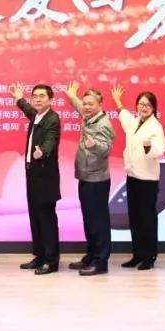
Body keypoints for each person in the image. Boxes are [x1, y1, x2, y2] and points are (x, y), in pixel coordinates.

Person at [110, 85, 165, 270]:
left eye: (148, 105)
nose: (144, 107)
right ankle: (138, 254)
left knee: (147, 218)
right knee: (134, 217)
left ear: (153, 108)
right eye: (141, 104)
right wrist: (118, 101)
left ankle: (149, 256)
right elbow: (124, 116)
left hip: (147, 179)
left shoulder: (155, 127)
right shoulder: (134, 122)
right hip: (132, 176)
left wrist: (149, 147)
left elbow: (160, 149)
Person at [63, 82, 116, 276]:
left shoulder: (103, 124)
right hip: (86, 176)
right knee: (89, 219)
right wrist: (72, 96)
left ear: (100, 105)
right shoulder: (89, 116)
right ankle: (92, 255)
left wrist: (95, 146)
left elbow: (107, 149)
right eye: (84, 103)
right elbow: (79, 106)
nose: (85, 107)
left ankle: (100, 261)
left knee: (98, 221)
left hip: (97, 179)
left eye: (90, 104)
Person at [11, 83, 62, 275]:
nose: (38, 99)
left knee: (47, 219)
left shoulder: (52, 118)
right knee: (35, 217)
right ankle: (40, 256)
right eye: (35, 96)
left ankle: (51, 261)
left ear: (51, 99)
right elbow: (28, 109)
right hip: (33, 174)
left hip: (45, 176)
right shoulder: (37, 115)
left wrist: (43, 151)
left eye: (42, 96)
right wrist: (19, 99)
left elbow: (51, 139)